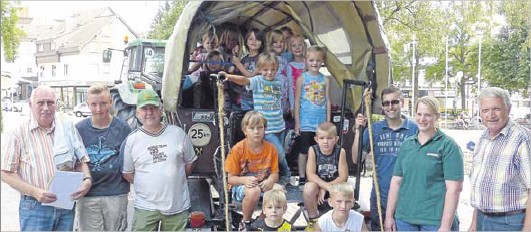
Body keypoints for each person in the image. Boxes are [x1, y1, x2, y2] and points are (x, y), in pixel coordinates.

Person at [1, 85, 92, 231]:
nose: (46, 107)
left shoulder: (67, 128)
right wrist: (35, 192)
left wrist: (87, 180)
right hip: (34, 207)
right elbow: (5, 173)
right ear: (31, 105)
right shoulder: (18, 133)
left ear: (56, 104)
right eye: (40, 102)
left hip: (65, 205)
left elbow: (81, 160)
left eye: (50, 102)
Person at [122, 89, 197, 231]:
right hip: (146, 207)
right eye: (144, 108)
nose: (149, 112)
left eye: (153, 108)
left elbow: (190, 161)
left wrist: (175, 179)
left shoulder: (178, 134)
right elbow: (127, 173)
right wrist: (148, 185)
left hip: (177, 206)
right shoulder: (132, 141)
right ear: (138, 113)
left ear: (161, 109)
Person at [385, 96, 463, 231]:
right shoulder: (407, 145)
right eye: (419, 114)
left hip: (434, 220)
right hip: (405, 219)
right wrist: (389, 216)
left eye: (427, 115)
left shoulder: (448, 146)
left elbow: (454, 189)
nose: (422, 119)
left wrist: (445, 227)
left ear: (436, 116)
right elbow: (396, 182)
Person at [351, 85, 418, 231]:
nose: (390, 106)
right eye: (386, 103)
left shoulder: (414, 130)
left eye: (394, 102)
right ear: (382, 106)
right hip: (380, 196)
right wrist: (357, 130)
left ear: (402, 102)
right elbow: (356, 159)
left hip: (407, 197)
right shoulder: (374, 130)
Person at [222, 52, 291, 184]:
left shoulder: (278, 82)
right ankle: (286, 174)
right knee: (279, 152)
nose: (269, 73)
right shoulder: (258, 81)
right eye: (265, 70)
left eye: (273, 70)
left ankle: (273, 177)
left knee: (276, 155)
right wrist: (228, 76)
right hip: (267, 128)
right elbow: (244, 80)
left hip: (279, 125)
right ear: (259, 70)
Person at [468, 87, 531, 231]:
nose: (491, 115)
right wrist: (474, 223)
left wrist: (528, 228)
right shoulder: (483, 138)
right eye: (485, 110)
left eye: (496, 109)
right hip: (481, 219)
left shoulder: (522, 138)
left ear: (508, 109)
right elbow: (480, 185)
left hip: (509, 223)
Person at [75, 83, 132, 231]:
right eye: (93, 104)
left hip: (116, 193)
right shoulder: (79, 129)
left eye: (103, 104)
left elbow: (130, 160)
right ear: (87, 104)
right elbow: (76, 161)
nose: (98, 109)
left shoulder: (123, 128)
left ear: (111, 102)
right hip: (88, 195)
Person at [224, 111, 279, 231]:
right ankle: (246, 222)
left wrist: (270, 180)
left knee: (279, 191)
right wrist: (244, 180)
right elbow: (230, 178)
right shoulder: (237, 149)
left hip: (263, 183)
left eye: (260, 128)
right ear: (245, 130)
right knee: (254, 191)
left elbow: (275, 173)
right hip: (240, 186)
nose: (256, 131)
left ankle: (262, 221)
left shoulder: (271, 149)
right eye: (252, 128)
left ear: (265, 129)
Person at [294, 45, 331, 186]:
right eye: (311, 60)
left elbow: (327, 101)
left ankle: (315, 177)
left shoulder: (325, 80)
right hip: (305, 122)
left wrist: (328, 122)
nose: (314, 63)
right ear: (306, 61)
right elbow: (297, 101)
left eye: (318, 60)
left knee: (319, 152)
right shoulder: (302, 79)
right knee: (304, 151)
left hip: (320, 124)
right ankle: (302, 177)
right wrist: (297, 122)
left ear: (322, 62)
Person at [303, 122, 349, 230]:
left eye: (329, 138)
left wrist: (326, 187)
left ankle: (338, 222)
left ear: (336, 139)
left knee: (346, 189)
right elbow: (310, 175)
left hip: (335, 185)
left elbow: (343, 177)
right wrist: (324, 186)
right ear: (316, 139)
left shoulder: (340, 151)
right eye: (322, 138)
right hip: (318, 185)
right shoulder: (313, 150)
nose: (325, 141)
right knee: (308, 188)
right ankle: (313, 221)